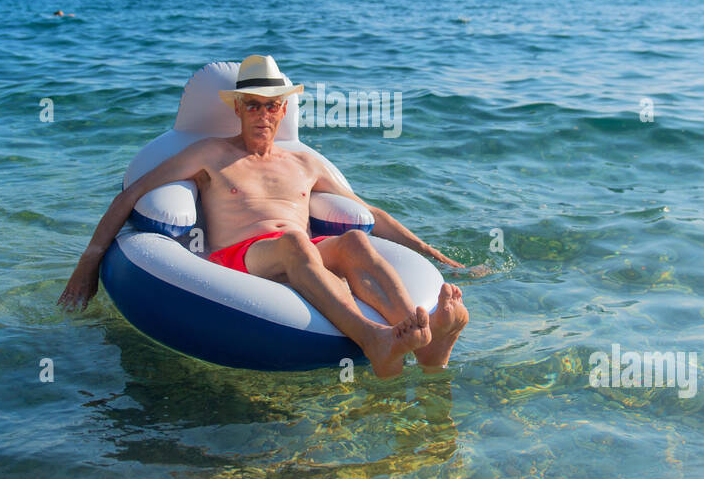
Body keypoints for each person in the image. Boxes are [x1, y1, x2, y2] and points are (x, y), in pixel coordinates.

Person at [59, 55, 470, 378]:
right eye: (252, 106)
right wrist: (87, 264)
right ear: (237, 108)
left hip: (301, 253)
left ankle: (422, 336)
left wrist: (430, 252)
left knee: (355, 242)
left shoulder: (304, 163)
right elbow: (131, 195)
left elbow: (371, 213)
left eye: (271, 106)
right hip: (239, 256)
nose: (262, 115)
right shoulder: (211, 154)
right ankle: (373, 341)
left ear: (283, 109)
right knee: (294, 243)